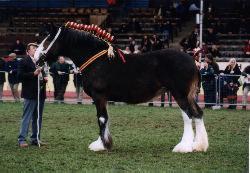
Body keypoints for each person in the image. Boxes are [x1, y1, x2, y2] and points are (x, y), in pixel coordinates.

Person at [17, 43, 47, 147]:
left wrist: (44, 79)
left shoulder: (40, 62)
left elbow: (42, 76)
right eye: (33, 48)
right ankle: (21, 139)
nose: (35, 50)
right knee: (27, 117)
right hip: (30, 94)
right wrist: (33, 74)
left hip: (40, 94)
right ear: (27, 51)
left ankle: (35, 138)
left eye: (36, 48)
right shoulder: (24, 61)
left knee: (38, 117)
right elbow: (19, 76)